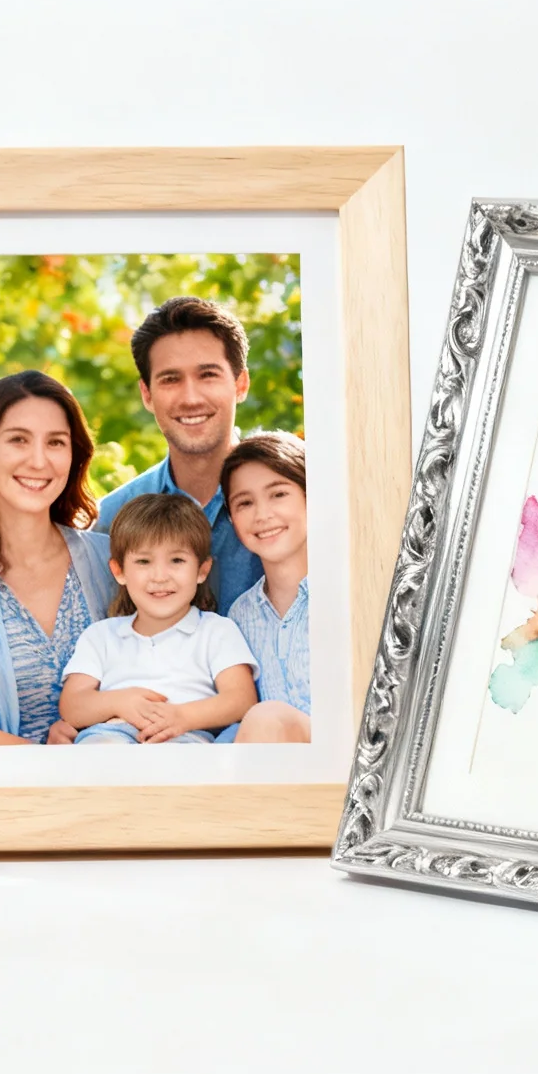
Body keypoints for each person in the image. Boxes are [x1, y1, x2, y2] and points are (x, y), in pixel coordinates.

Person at [0, 370, 117, 745]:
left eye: (56, 443)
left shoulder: (111, 562)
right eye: (18, 440)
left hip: (119, 781)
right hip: (10, 796)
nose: (39, 461)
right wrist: (57, 766)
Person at [93, 296, 263, 615]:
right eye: (171, 379)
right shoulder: (109, 523)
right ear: (147, 394)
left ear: (240, 385)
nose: (190, 397)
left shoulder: (299, 502)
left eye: (208, 375)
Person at [58, 494, 258, 744]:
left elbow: (241, 700)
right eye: (143, 561)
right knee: (98, 747)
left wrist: (182, 717)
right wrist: (120, 702)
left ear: (202, 570)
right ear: (119, 571)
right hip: (113, 732)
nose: (160, 576)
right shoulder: (101, 635)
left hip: (187, 736)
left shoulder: (217, 630)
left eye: (177, 560)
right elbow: (72, 705)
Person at [221, 432, 312, 743]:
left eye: (278, 494)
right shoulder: (239, 616)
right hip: (271, 776)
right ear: (232, 519)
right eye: (245, 503)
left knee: (267, 717)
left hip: (351, 768)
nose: (262, 515)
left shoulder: (347, 597)